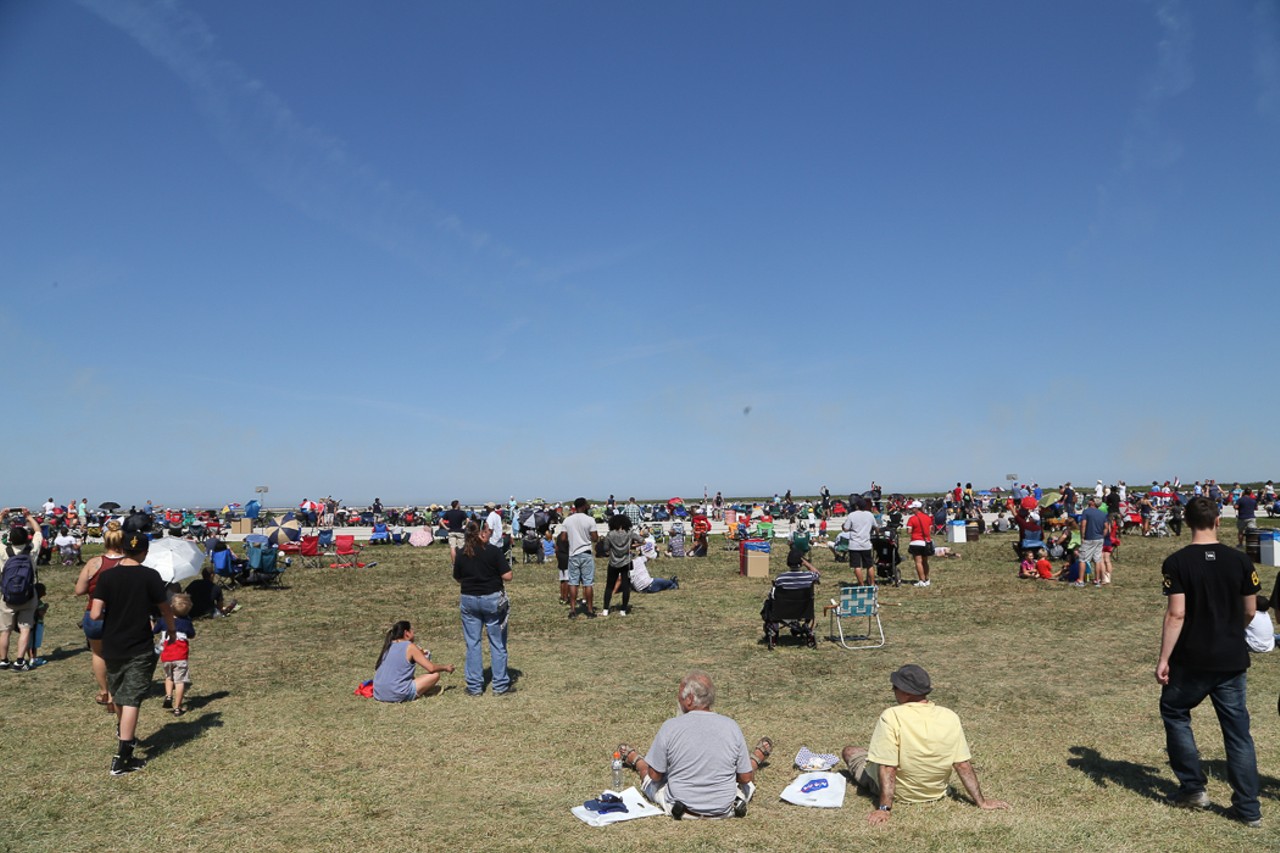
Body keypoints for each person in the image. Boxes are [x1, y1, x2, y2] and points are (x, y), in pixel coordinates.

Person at [1156, 496, 1261, 826]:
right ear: (1219, 521)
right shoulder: (1240, 561)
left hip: (1193, 659)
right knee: (1238, 733)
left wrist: (1164, 658)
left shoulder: (1177, 562)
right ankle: (1248, 809)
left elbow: (1177, 613)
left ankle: (1193, 788)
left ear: (1186, 523)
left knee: (1174, 710)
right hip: (1231, 658)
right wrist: (1232, 632)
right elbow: (1249, 610)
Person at [842, 664, 1009, 825]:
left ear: (906, 692)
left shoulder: (891, 716)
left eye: (895, 687)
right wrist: (981, 801)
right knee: (869, 753)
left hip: (901, 794)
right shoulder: (950, 716)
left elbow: (888, 767)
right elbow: (962, 765)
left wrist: (884, 808)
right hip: (936, 792)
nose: (893, 690)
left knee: (850, 751)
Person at [615, 671, 772, 819]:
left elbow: (656, 776)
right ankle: (755, 760)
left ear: (689, 699)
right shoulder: (731, 726)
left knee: (649, 776)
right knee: (746, 777)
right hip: (726, 809)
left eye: (680, 697)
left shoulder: (670, 727)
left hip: (681, 810)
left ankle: (637, 761)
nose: (679, 701)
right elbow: (745, 778)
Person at [90, 526, 177, 776]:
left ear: (122, 549)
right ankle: (123, 757)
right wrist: (170, 631)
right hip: (139, 644)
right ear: (145, 552)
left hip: (112, 643)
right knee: (132, 699)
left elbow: (95, 614)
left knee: (119, 693)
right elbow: (165, 609)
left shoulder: (107, 577)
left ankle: (123, 733)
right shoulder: (150, 576)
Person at [452, 521, 513, 696]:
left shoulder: (461, 553)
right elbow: (507, 576)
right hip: (492, 599)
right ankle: (500, 684)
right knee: (497, 642)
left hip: (469, 599)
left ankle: (474, 686)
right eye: (488, 531)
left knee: (473, 643)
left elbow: (458, 577)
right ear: (482, 534)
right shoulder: (493, 551)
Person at [75, 520, 126, 705]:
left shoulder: (94, 562)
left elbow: (79, 590)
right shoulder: (128, 564)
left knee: (98, 654)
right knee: (118, 654)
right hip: (119, 616)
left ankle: (105, 692)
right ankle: (116, 692)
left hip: (93, 615)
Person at [1, 508, 44, 672]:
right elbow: (39, 531)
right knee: (25, 628)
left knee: (5, 631)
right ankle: (20, 661)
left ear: (10, 539)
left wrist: (2, 515)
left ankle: (3, 660)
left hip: (7, 595)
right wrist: (28, 516)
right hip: (28, 594)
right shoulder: (32, 550)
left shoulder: (3, 551)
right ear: (27, 538)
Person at [372, 620, 455, 702]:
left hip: (378, 693)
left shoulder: (388, 645)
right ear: (406, 633)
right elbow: (431, 668)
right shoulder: (410, 646)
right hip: (397, 694)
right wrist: (445, 667)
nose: (413, 633)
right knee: (435, 675)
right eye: (411, 630)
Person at [155, 593, 196, 716]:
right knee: (180, 681)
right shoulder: (186, 623)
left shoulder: (163, 621)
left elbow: (154, 631)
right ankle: (177, 708)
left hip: (166, 656)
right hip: (180, 656)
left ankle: (168, 696)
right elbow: (192, 635)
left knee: (169, 677)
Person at [563, 497, 599, 619]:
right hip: (586, 553)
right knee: (588, 583)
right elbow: (595, 538)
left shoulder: (568, 520)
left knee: (573, 583)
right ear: (583, 506)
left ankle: (573, 610)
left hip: (573, 554)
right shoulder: (590, 520)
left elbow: (563, 538)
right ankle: (589, 610)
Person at [602, 514, 642, 617]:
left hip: (613, 563)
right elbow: (643, 541)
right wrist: (632, 546)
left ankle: (606, 609)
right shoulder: (629, 533)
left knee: (609, 586)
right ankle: (623, 610)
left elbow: (606, 548)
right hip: (626, 562)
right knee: (625, 586)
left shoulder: (610, 534)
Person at [841, 498, 878, 585]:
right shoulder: (869, 515)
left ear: (856, 506)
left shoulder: (852, 515)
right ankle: (872, 584)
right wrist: (876, 533)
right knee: (869, 565)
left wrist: (843, 525)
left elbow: (846, 529)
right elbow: (876, 526)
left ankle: (861, 584)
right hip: (866, 544)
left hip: (854, 544)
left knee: (857, 566)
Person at [1079, 498, 1109, 586]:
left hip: (1089, 538)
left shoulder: (1086, 512)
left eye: (1091, 499)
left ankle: (1080, 580)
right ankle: (1097, 580)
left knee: (1083, 559)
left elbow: (1083, 524)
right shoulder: (1102, 514)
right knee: (1097, 560)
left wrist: (1082, 536)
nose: (1089, 500)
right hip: (1099, 538)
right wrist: (1102, 535)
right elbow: (1106, 527)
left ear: (1093, 503)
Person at [905, 502, 932, 588]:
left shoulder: (912, 519)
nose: (911, 509)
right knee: (925, 561)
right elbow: (930, 530)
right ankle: (927, 579)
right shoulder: (928, 518)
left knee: (918, 562)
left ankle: (921, 580)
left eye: (912, 508)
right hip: (926, 542)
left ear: (916, 508)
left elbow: (909, 531)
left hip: (916, 541)